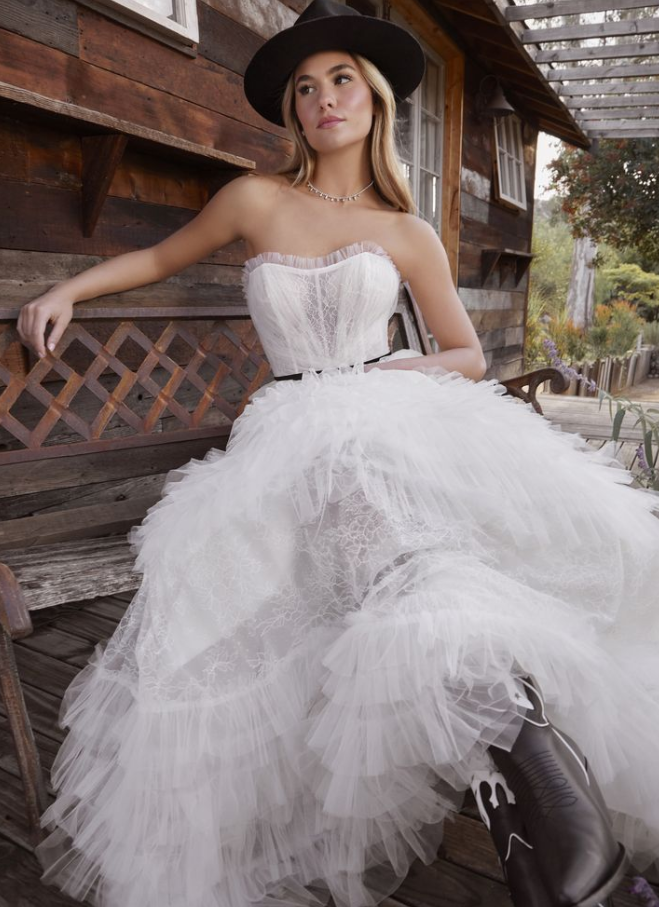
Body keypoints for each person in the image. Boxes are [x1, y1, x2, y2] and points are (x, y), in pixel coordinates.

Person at [16, 2, 659, 906]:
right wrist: (71, 288)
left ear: (375, 98)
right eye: (306, 88)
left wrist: (402, 367)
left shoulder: (407, 230)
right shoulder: (255, 198)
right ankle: (566, 846)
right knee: (391, 549)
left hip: (388, 410)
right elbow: (160, 256)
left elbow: (467, 353)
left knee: (415, 548)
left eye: (341, 80)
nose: (323, 99)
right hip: (287, 430)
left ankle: (555, 844)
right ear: (294, 112)